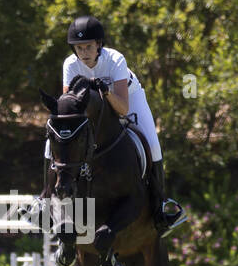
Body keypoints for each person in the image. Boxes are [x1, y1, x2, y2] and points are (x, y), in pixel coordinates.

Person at [44, 14, 186, 236]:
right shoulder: (70, 65)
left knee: (153, 144)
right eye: (79, 48)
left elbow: (123, 109)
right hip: (91, 110)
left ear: (99, 45)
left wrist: (106, 91)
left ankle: (160, 208)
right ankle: (45, 198)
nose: (84, 53)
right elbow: (68, 108)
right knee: (52, 142)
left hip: (127, 97)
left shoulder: (115, 60)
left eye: (88, 47)